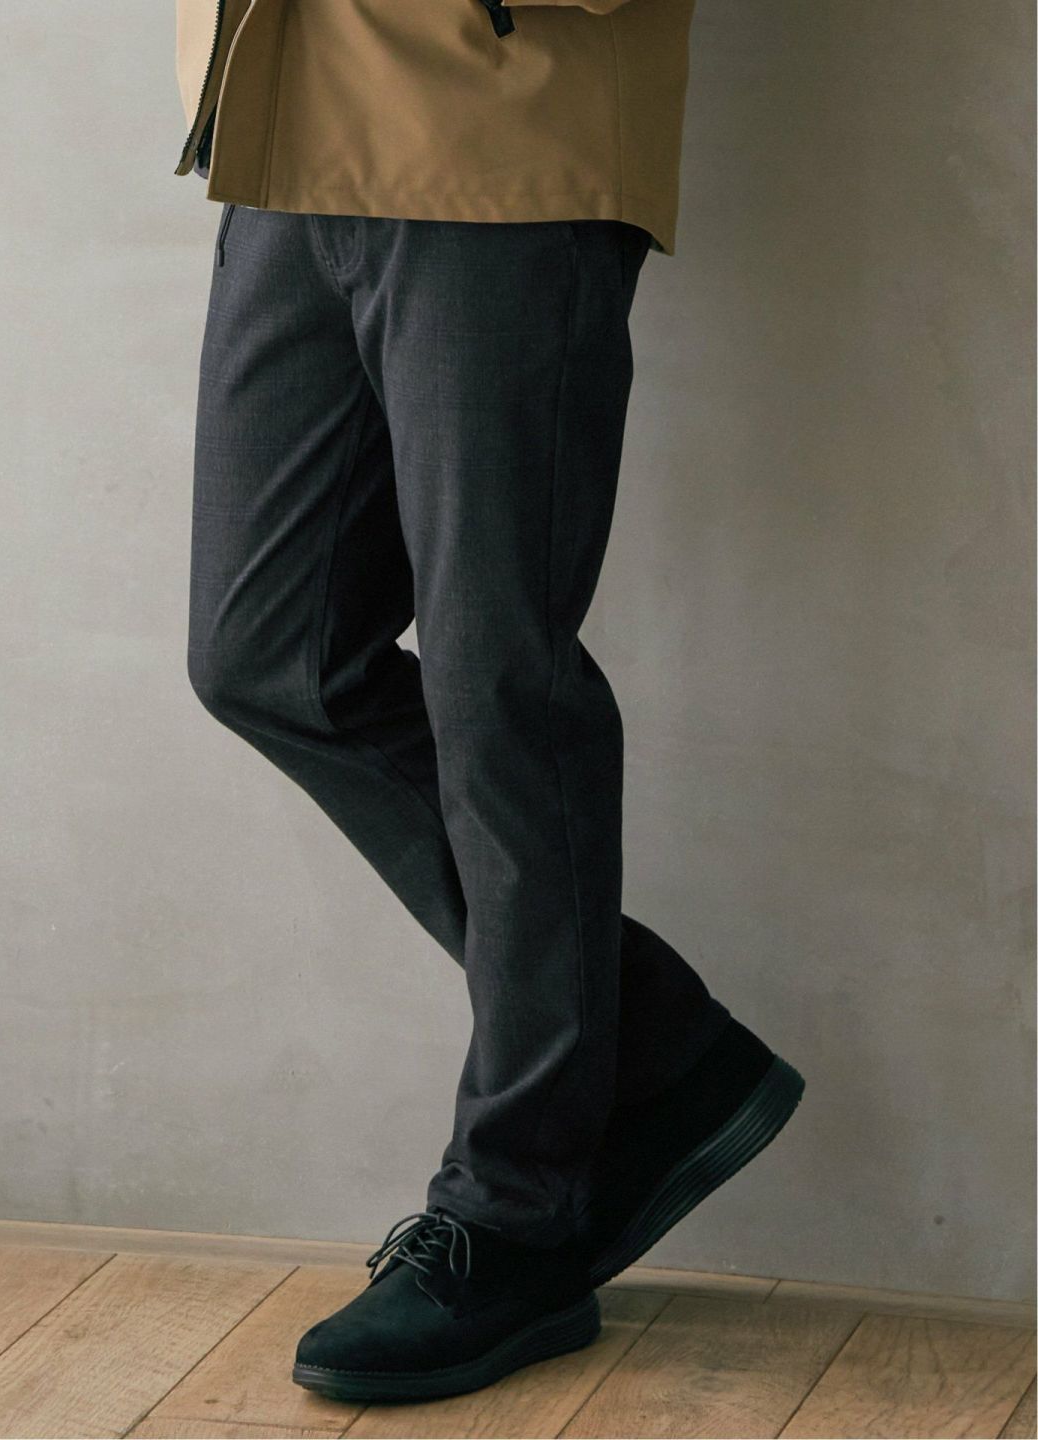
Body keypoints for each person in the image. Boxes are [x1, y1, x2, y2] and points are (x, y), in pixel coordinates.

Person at [172, 0, 804, 1404]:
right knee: (265, 655)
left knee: (495, 683)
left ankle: (521, 1209)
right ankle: (650, 1044)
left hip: (497, 127)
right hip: (286, 125)